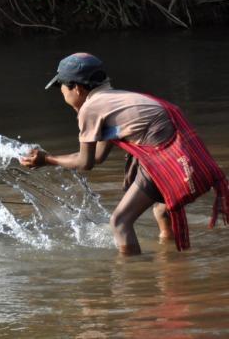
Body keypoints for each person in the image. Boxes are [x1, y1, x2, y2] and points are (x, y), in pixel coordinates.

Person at [20, 52, 228, 255]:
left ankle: (132, 280)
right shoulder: (116, 99)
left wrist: (46, 159)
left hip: (164, 156)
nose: (62, 93)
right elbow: (99, 156)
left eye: (62, 87)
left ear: (77, 88)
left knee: (120, 222)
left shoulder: (91, 108)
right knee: (162, 210)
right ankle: (171, 260)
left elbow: (86, 162)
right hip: (184, 153)